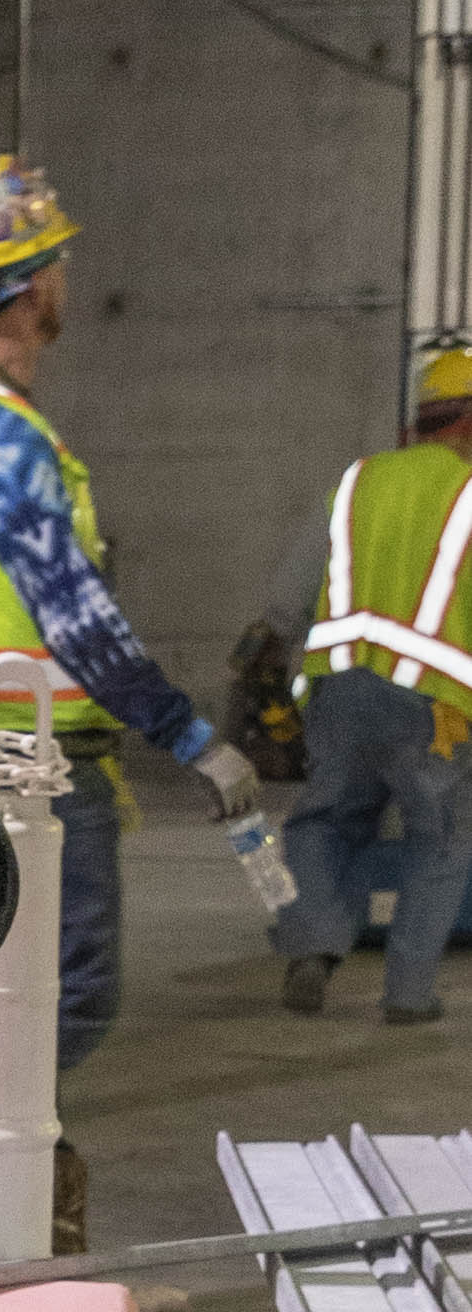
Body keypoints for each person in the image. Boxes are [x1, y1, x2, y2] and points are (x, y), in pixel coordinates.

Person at [0, 157, 264, 1238]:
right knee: (61, 995)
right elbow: (71, 609)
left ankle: (33, 1221)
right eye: (59, 264)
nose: (66, 283)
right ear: (32, 287)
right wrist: (193, 736)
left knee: (22, 999)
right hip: (22, 757)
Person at [250, 337, 472, 1023]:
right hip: (434, 706)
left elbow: (288, 598)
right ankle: (407, 994)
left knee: (325, 823)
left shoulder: (357, 480)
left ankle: (314, 946)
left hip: (338, 692)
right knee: (439, 841)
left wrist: (263, 661)